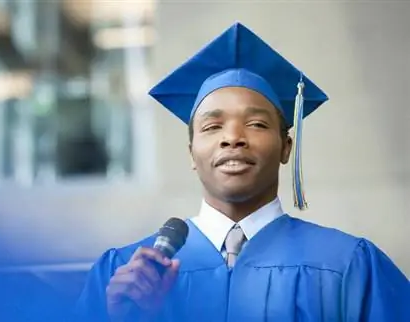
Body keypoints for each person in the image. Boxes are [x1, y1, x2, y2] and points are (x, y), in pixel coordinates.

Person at [75, 22, 409, 322]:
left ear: (285, 147)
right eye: (212, 126)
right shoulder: (124, 275)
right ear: (191, 152)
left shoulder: (350, 266)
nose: (232, 138)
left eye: (257, 124)